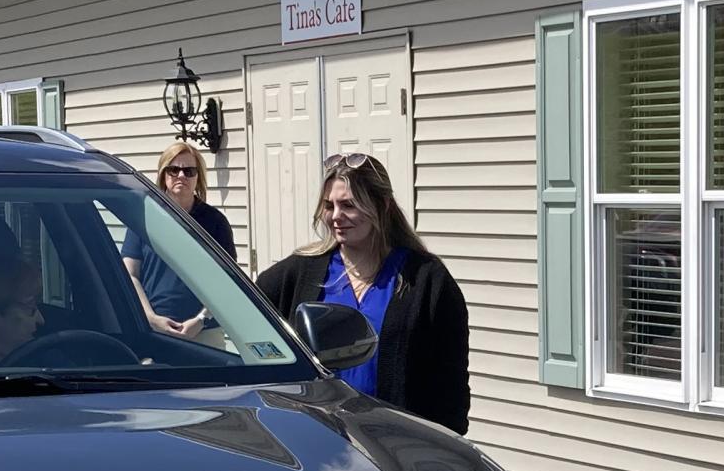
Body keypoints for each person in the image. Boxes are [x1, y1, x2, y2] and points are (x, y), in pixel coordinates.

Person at [256, 152, 469, 435]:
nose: (335, 216)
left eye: (348, 205)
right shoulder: (300, 271)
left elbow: (450, 382)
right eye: (329, 205)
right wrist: (200, 321)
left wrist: (442, 446)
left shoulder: (425, 279)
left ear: (382, 206)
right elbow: (241, 307)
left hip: (395, 446)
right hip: (319, 439)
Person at [122, 142, 235, 343]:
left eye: (189, 171)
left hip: (205, 332)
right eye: (174, 170)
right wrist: (150, 318)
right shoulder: (144, 216)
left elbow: (227, 280)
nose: (181, 176)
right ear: (163, 175)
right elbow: (130, 274)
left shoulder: (215, 222)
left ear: (198, 177)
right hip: (153, 330)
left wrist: (201, 319)